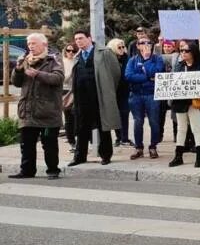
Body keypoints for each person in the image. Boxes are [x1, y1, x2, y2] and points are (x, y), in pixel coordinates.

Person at [10, 33, 64, 179]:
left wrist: (37, 74)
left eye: (34, 43)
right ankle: (27, 171)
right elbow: (16, 82)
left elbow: (58, 78)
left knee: (49, 144)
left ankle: (53, 170)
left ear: (44, 45)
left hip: (47, 111)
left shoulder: (54, 59)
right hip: (28, 110)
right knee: (26, 144)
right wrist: (19, 69)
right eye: (29, 44)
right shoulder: (26, 59)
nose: (31, 47)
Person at [69, 30, 122, 167]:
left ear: (89, 38)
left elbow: (116, 73)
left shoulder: (104, 52)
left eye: (81, 38)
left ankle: (105, 155)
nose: (78, 41)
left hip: (99, 97)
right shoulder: (77, 56)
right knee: (81, 128)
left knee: (103, 127)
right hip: (81, 99)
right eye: (76, 39)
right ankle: (79, 156)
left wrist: (108, 90)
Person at [167, 41, 200, 168]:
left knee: (196, 128)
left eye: (186, 51)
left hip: (194, 102)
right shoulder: (179, 66)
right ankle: (178, 156)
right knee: (181, 128)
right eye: (182, 51)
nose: (183, 53)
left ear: (193, 52)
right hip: (180, 102)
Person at [124, 37, 166, 160]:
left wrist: (147, 60)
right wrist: (147, 77)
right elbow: (129, 76)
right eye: (142, 43)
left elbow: (157, 72)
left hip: (151, 94)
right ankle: (138, 148)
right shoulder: (132, 60)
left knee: (154, 121)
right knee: (138, 122)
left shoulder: (157, 59)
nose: (146, 45)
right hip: (136, 94)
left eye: (149, 42)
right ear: (137, 46)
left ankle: (153, 147)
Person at [107, 38, 132, 147]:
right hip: (113, 90)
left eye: (123, 47)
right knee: (115, 114)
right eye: (119, 47)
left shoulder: (127, 58)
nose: (122, 49)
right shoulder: (110, 59)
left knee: (124, 113)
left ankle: (125, 138)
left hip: (125, 90)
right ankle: (118, 137)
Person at [60, 44, 77, 152]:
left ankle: (78, 140)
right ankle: (71, 141)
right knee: (68, 117)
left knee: (77, 117)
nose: (71, 52)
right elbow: (62, 79)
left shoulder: (77, 61)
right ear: (65, 51)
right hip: (65, 91)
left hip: (76, 91)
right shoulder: (61, 62)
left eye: (73, 51)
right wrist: (71, 74)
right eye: (68, 50)